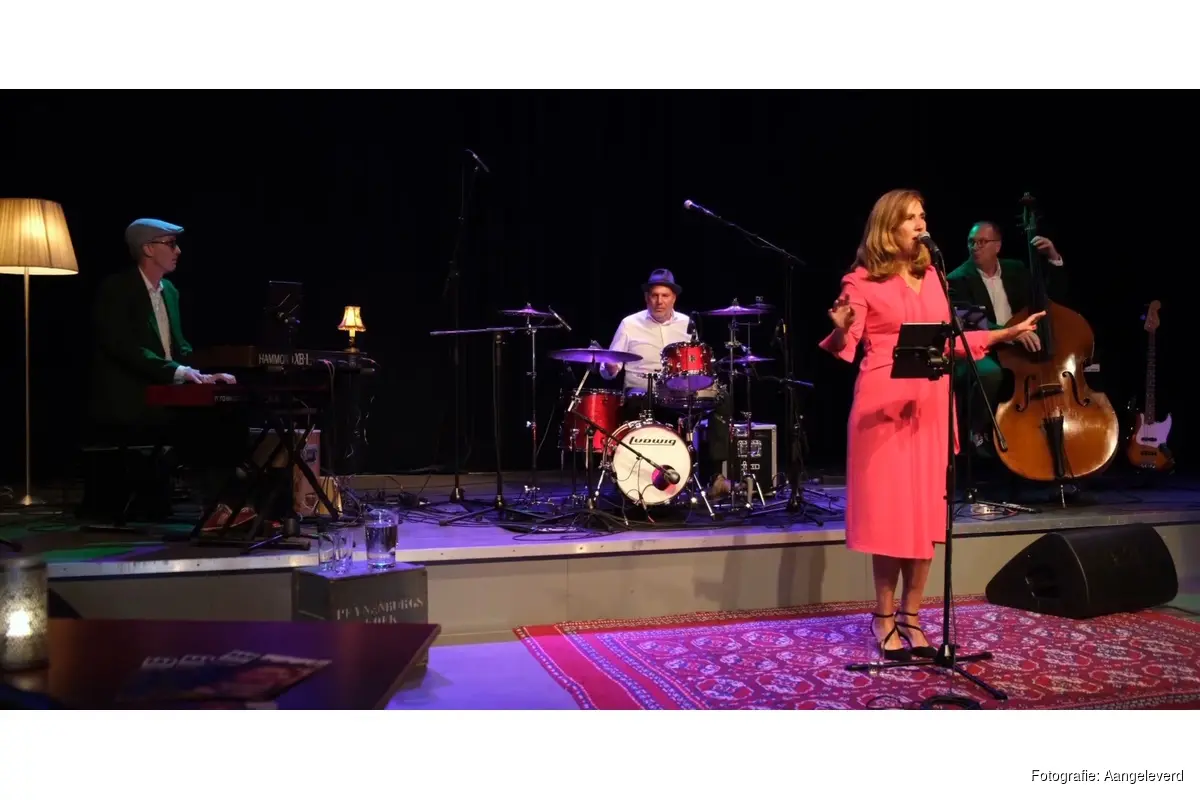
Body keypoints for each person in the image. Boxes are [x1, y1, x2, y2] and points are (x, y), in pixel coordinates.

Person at [818, 190, 1045, 660]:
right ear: (889, 227)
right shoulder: (861, 280)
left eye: (923, 216)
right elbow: (847, 344)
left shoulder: (934, 277)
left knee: (925, 515)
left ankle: (912, 616)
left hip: (931, 404)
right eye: (910, 218)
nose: (921, 224)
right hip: (884, 406)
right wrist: (840, 327)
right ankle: (883, 617)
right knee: (891, 517)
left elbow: (949, 343)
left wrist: (1003, 334)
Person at [88, 218, 254, 532]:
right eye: (170, 244)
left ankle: (235, 504)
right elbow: (126, 348)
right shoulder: (117, 289)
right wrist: (178, 371)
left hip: (169, 391)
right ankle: (216, 508)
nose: (178, 251)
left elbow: (180, 349)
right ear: (148, 249)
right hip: (134, 395)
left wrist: (204, 375)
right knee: (201, 421)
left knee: (230, 411)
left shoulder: (171, 292)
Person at [598, 268, 732, 496]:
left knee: (722, 398)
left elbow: (695, 360)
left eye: (665, 296)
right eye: (654, 295)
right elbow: (611, 367)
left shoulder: (687, 323)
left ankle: (715, 476)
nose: (659, 301)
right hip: (641, 391)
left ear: (674, 298)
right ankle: (633, 479)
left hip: (678, 392)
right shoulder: (629, 324)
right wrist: (609, 367)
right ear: (646, 297)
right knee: (637, 401)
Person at [944, 221, 1065, 455]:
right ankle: (977, 430)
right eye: (971, 242)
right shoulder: (957, 279)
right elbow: (972, 322)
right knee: (990, 373)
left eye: (982, 242)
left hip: (1021, 343)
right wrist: (1012, 333)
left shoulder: (1016, 269)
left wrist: (1053, 257)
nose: (975, 247)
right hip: (984, 347)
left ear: (997, 246)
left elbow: (1050, 298)